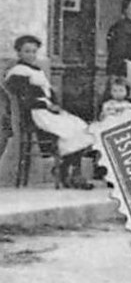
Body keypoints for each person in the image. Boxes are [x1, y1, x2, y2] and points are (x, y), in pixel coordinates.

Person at [5, 35, 98, 188]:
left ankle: (69, 171)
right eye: (27, 51)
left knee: (81, 126)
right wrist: (46, 105)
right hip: (35, 114)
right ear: (18, 53)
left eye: (34, 52)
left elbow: (50, 94)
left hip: (47, 112)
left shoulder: (37, 71)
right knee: (69, 129)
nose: (31, 55)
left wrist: (55, 105)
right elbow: (25, 99)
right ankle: (68, 172)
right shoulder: (18, 73)